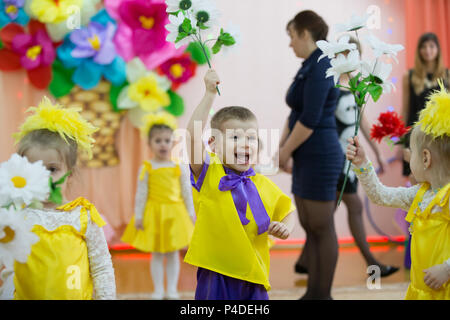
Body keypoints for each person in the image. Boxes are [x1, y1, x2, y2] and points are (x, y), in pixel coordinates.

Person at [185, 69, 296, 300]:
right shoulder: (208, 172)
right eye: (235, 137)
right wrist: (208, 94)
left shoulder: (262, 183)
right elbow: (193, 135)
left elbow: (287, 211)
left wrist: (286, 227)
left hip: (253, 272)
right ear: (213, 144)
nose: (245, 144)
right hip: (216, 270)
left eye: (251, 138)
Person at [294, 36, 399, 278]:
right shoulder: (329, 85)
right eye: (346, 53)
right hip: (334, 160)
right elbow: (314, 122)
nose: (351, 58)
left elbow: (362, 122)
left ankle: (305, 260)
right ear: (337, 56)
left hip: (348, 159)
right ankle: (373, 264)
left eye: (355, 53)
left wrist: (377, 153)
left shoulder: (358, 86)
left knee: (330, 211)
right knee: (348, 207)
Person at [4, 96, 116, 300]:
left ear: (70, 172)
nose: (43, 177)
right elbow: (9, 267)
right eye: (33, 168)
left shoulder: (83, 216)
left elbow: (101, 268)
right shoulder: (17, 216)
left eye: (52, 169)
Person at [346, 82, 450, 299]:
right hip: (421, 291)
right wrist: (363, 163)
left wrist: (446, 269)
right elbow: (380, 195)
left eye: (411, 152)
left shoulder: (446, 199)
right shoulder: (419, 194)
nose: (407, 157)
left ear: (425, 159)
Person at [278, 10, 343, 300]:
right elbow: (296, 111)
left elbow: (311, 119)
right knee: (310, 225)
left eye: (292, 36)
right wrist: (283, 147)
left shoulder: (322, 64)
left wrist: (285, 151)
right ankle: (312, 294)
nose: (290, 43)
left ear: (306, 33)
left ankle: (322, 294)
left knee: (321, 225)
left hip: (320, 154)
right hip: (305, 154)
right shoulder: (309, 64)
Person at [121, 112, 195, 300]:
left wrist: (190, 212)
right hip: (154, 213)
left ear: (173, 143)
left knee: (172, 254)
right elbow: (141, 194)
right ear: (150, 144)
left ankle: (171, 289)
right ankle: (158, 290)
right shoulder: (147, 167)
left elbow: (186, 191)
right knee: (156, 254)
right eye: (158, 140)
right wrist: (138, 215)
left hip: (174, 214)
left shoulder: (179, 167)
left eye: (167, 140)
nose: (163, 144)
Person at [400, 32, 449, 181]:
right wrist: (400, 141)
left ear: (438, 49)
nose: (427, 50)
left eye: (431, 46)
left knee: (439, 179)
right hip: (415, 135)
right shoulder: (408, 76)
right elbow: (405, 109)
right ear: (419, 50)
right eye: (423, 46)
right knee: (415, 180)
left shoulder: (447, 75)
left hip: (438, 136)